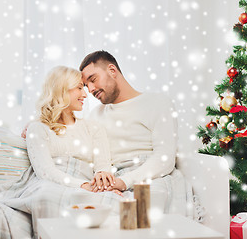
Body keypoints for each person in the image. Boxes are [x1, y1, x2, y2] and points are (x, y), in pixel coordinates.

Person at [78, 50, 193, 216]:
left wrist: (123, 182)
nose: (90, 89)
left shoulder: (158, 103)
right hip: (112, 179)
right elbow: (80, 147)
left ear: (112, 70)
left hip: (150, 175)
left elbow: (165, 158)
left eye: (93, 80)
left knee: (148, 203)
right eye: (86, 86)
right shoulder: (96, 114)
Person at [25, 65, 118, 193]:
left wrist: (102, 179)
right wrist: (83, 185)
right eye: (79, 88)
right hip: (53, 187)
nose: (85, 94)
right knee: (46, 195)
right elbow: (45, 172)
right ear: (61, 90)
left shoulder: (94, 128)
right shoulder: (37, 129)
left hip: (89, 187)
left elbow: (103, 165)